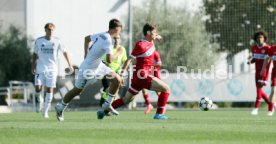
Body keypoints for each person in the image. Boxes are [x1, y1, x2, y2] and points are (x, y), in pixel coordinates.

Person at [55, 18, 123, 121]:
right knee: (77, 91)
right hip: (88, 69)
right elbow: (109, 60)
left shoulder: (102, 34)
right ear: (116, 30)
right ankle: (60, 107)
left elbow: (87, 38)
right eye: (119, 31)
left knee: (117, 80)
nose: (119, 34)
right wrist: (118, 52)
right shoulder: (108, 40)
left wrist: (86, 54)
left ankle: (107, 104)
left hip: (98, 65)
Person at [97, 23, 170, 120]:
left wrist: (157, 36)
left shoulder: (150, 41)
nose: (156, 34)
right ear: (148, 33)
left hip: (138, 77)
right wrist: (121, 74)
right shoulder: (141, 45)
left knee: (126, 99)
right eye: (154, 32)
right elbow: (129, 60)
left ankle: (103, 112)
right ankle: (159, 114)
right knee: (166, 88)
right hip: (143, 75)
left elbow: (154, 36)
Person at [32, 23, 73, 118]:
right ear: (45, 30)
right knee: (38, 88)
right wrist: (33, 66)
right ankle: (39, 100)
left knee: (49, 89)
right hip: (40, 68)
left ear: (54, 30)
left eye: (52, 30)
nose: (51, 31)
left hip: (52, 69)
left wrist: (70, 64)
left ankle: (45, 111)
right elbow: (34, 54)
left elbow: (65, 52)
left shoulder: (57, 41)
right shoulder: (39, 41)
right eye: (49, 29)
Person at [248, 30, 274, 116]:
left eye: (261, 37)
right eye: (258, 37)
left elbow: (269, 59)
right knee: (260, 91)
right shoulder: (254, 48)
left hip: (264, 72)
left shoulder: (268, 48)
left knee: (259, 89)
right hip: (257, 72)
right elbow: (254, 59)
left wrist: (263, 70)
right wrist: (250, 61)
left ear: (264, 39)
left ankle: (255, 109)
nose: (260, 39)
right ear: (255, 39)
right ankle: (271, 104)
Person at [99, 35, 127, 106]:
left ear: (120, 40)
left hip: (117, 74)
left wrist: (122, 74)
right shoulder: (108, 49)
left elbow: (125, 62)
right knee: (109, 89)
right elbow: (103, 62)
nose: (116, 40)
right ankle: (104, 104)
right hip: (107, 73)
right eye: (114, 38)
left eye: (118, 38)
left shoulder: (122, 49)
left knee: (113, 92)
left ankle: (104, 103)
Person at [142, 50, 162, 114]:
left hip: (154, 72)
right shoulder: (144, 53)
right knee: (143, 87)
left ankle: (161, 106)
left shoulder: (155, 53)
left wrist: (151, 65)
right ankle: (149, 105)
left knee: (158, 91)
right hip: (146, 72)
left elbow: (159, 63)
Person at [260, 44, 276, 116]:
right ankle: (270, 109)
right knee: (273, 91)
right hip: (275, 73)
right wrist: (263, 69)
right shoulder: (272, 48)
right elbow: (267, 58)